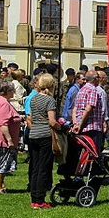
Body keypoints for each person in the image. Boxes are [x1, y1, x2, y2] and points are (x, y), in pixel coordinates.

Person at [27, 74, 61, 209]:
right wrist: (61, 127)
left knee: (35, 167)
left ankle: (34, 197)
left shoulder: (33, 98)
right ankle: (40, 199)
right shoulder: (50, 100)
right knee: (44, 168)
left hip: (33, 134)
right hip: (45, 135)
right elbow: (52, 121)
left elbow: (31, 117)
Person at [0, 81, 21, 193]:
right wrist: (9, 140)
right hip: (2, 138)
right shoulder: (3, 103)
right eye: (12, 91)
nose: (13, 93)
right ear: (7, 91)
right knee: (3, 161)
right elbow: (3, 123)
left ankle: (1, 183)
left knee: (2, 159)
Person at [72, 71, 106, 152]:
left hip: (82, 126)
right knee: (94, 154)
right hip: (92, 127)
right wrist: (80, 124)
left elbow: (75, 110)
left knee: (83, 153)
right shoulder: (92, 90)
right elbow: (88, 109)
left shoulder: (81, 90)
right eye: (98, 77)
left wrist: (75, 124)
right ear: (95, 79)